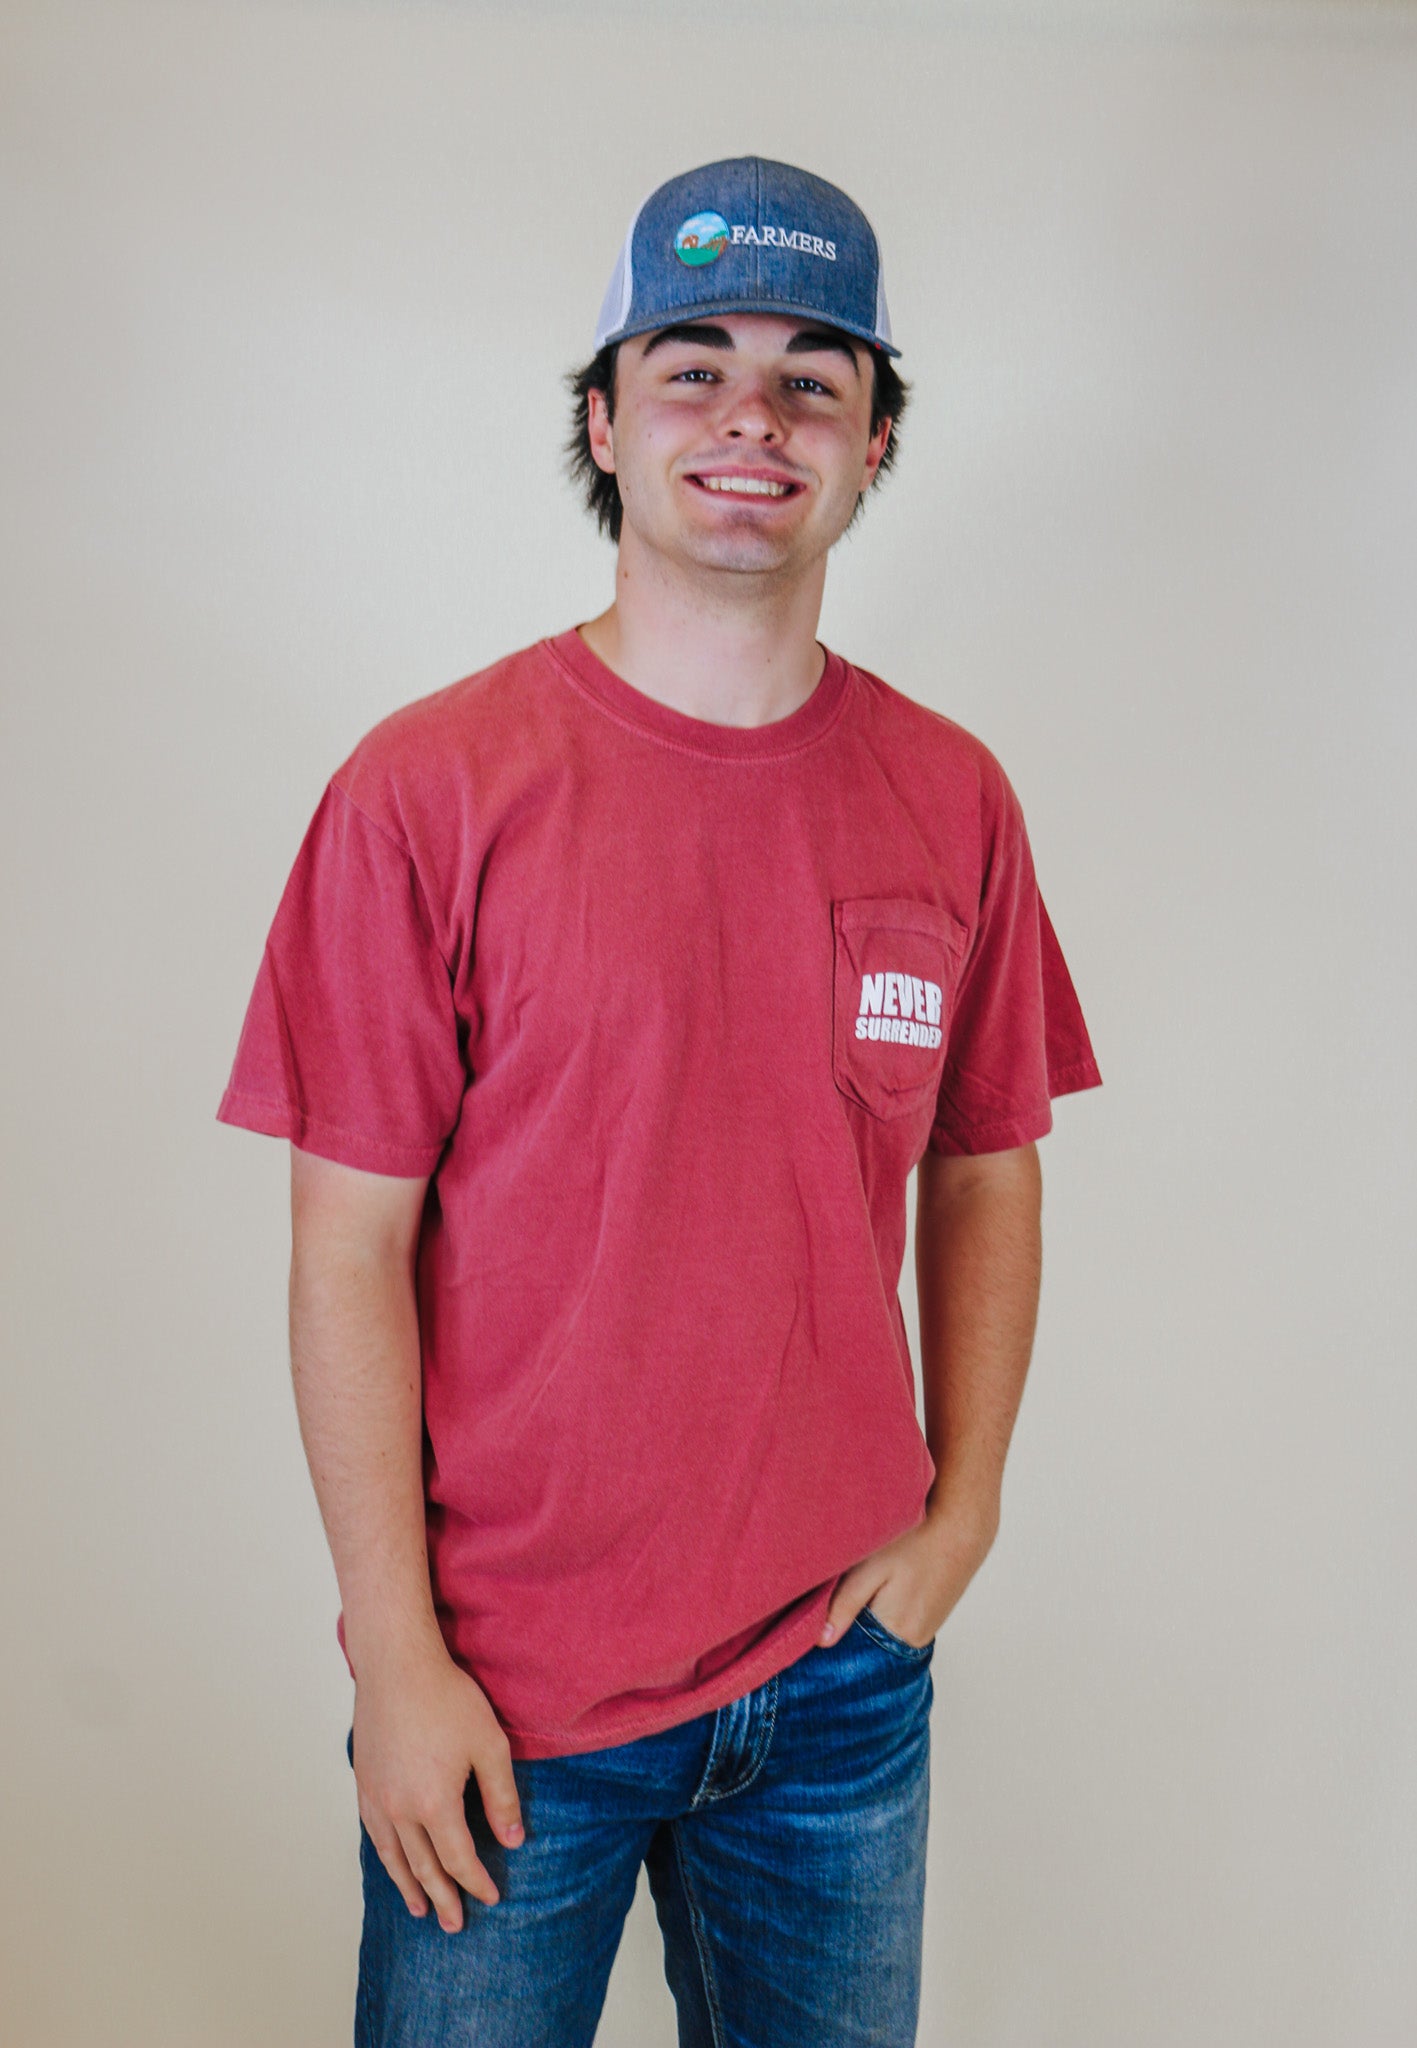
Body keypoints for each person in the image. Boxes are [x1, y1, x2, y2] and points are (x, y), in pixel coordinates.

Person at [217, 154, 1103, 2048]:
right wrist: (396, 1657)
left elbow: (987, 1165)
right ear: (604, 425)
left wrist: (959, 1520)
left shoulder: (951, 795)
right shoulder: (428, 791)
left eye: (809, 380)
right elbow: (346, 1248)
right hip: (505, 1692)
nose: (749, 418)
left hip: (841, 1681)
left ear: (871, 447)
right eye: (692, 368)